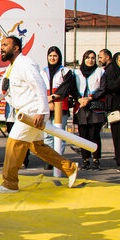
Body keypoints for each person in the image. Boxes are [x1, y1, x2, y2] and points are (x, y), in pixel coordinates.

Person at [0, 36, 78, 193]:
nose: (1, 48)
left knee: (13, 143)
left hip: (32, 112)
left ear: (16, 48)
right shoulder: (11, 67)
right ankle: (70, 168)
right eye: (1, 45)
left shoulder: (25, 64)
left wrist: (42, 111)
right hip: (28, 111)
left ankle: (9, 183)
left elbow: (39, 86)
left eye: (5, 45)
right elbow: (3, 89)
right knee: (38, 147)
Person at [55, 50, 106, 170]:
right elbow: (72, 88)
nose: (90, 60)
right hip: (81, 107)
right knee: (83, 135)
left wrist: (90, 98)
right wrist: (79, 99)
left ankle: (96, 159)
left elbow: (103, 89)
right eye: (88, 58)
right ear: (83, 59)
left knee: (94, 135)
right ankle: (85, 159)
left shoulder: (100, 72)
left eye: (93, 58)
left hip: (95, 107)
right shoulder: (76, 73)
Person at [41, 46, 72, 176]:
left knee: (59, 135)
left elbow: (66, 87)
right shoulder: (42, 71)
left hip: (61, 107)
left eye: (55, 56)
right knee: (47, 135)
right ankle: (49, 160)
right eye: (50, 56)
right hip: (46, 106)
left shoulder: (66, 71)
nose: (52, 58)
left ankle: (58, 160)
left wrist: (53, 98)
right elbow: (40, 88)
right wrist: (48, 101)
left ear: (59, 57)